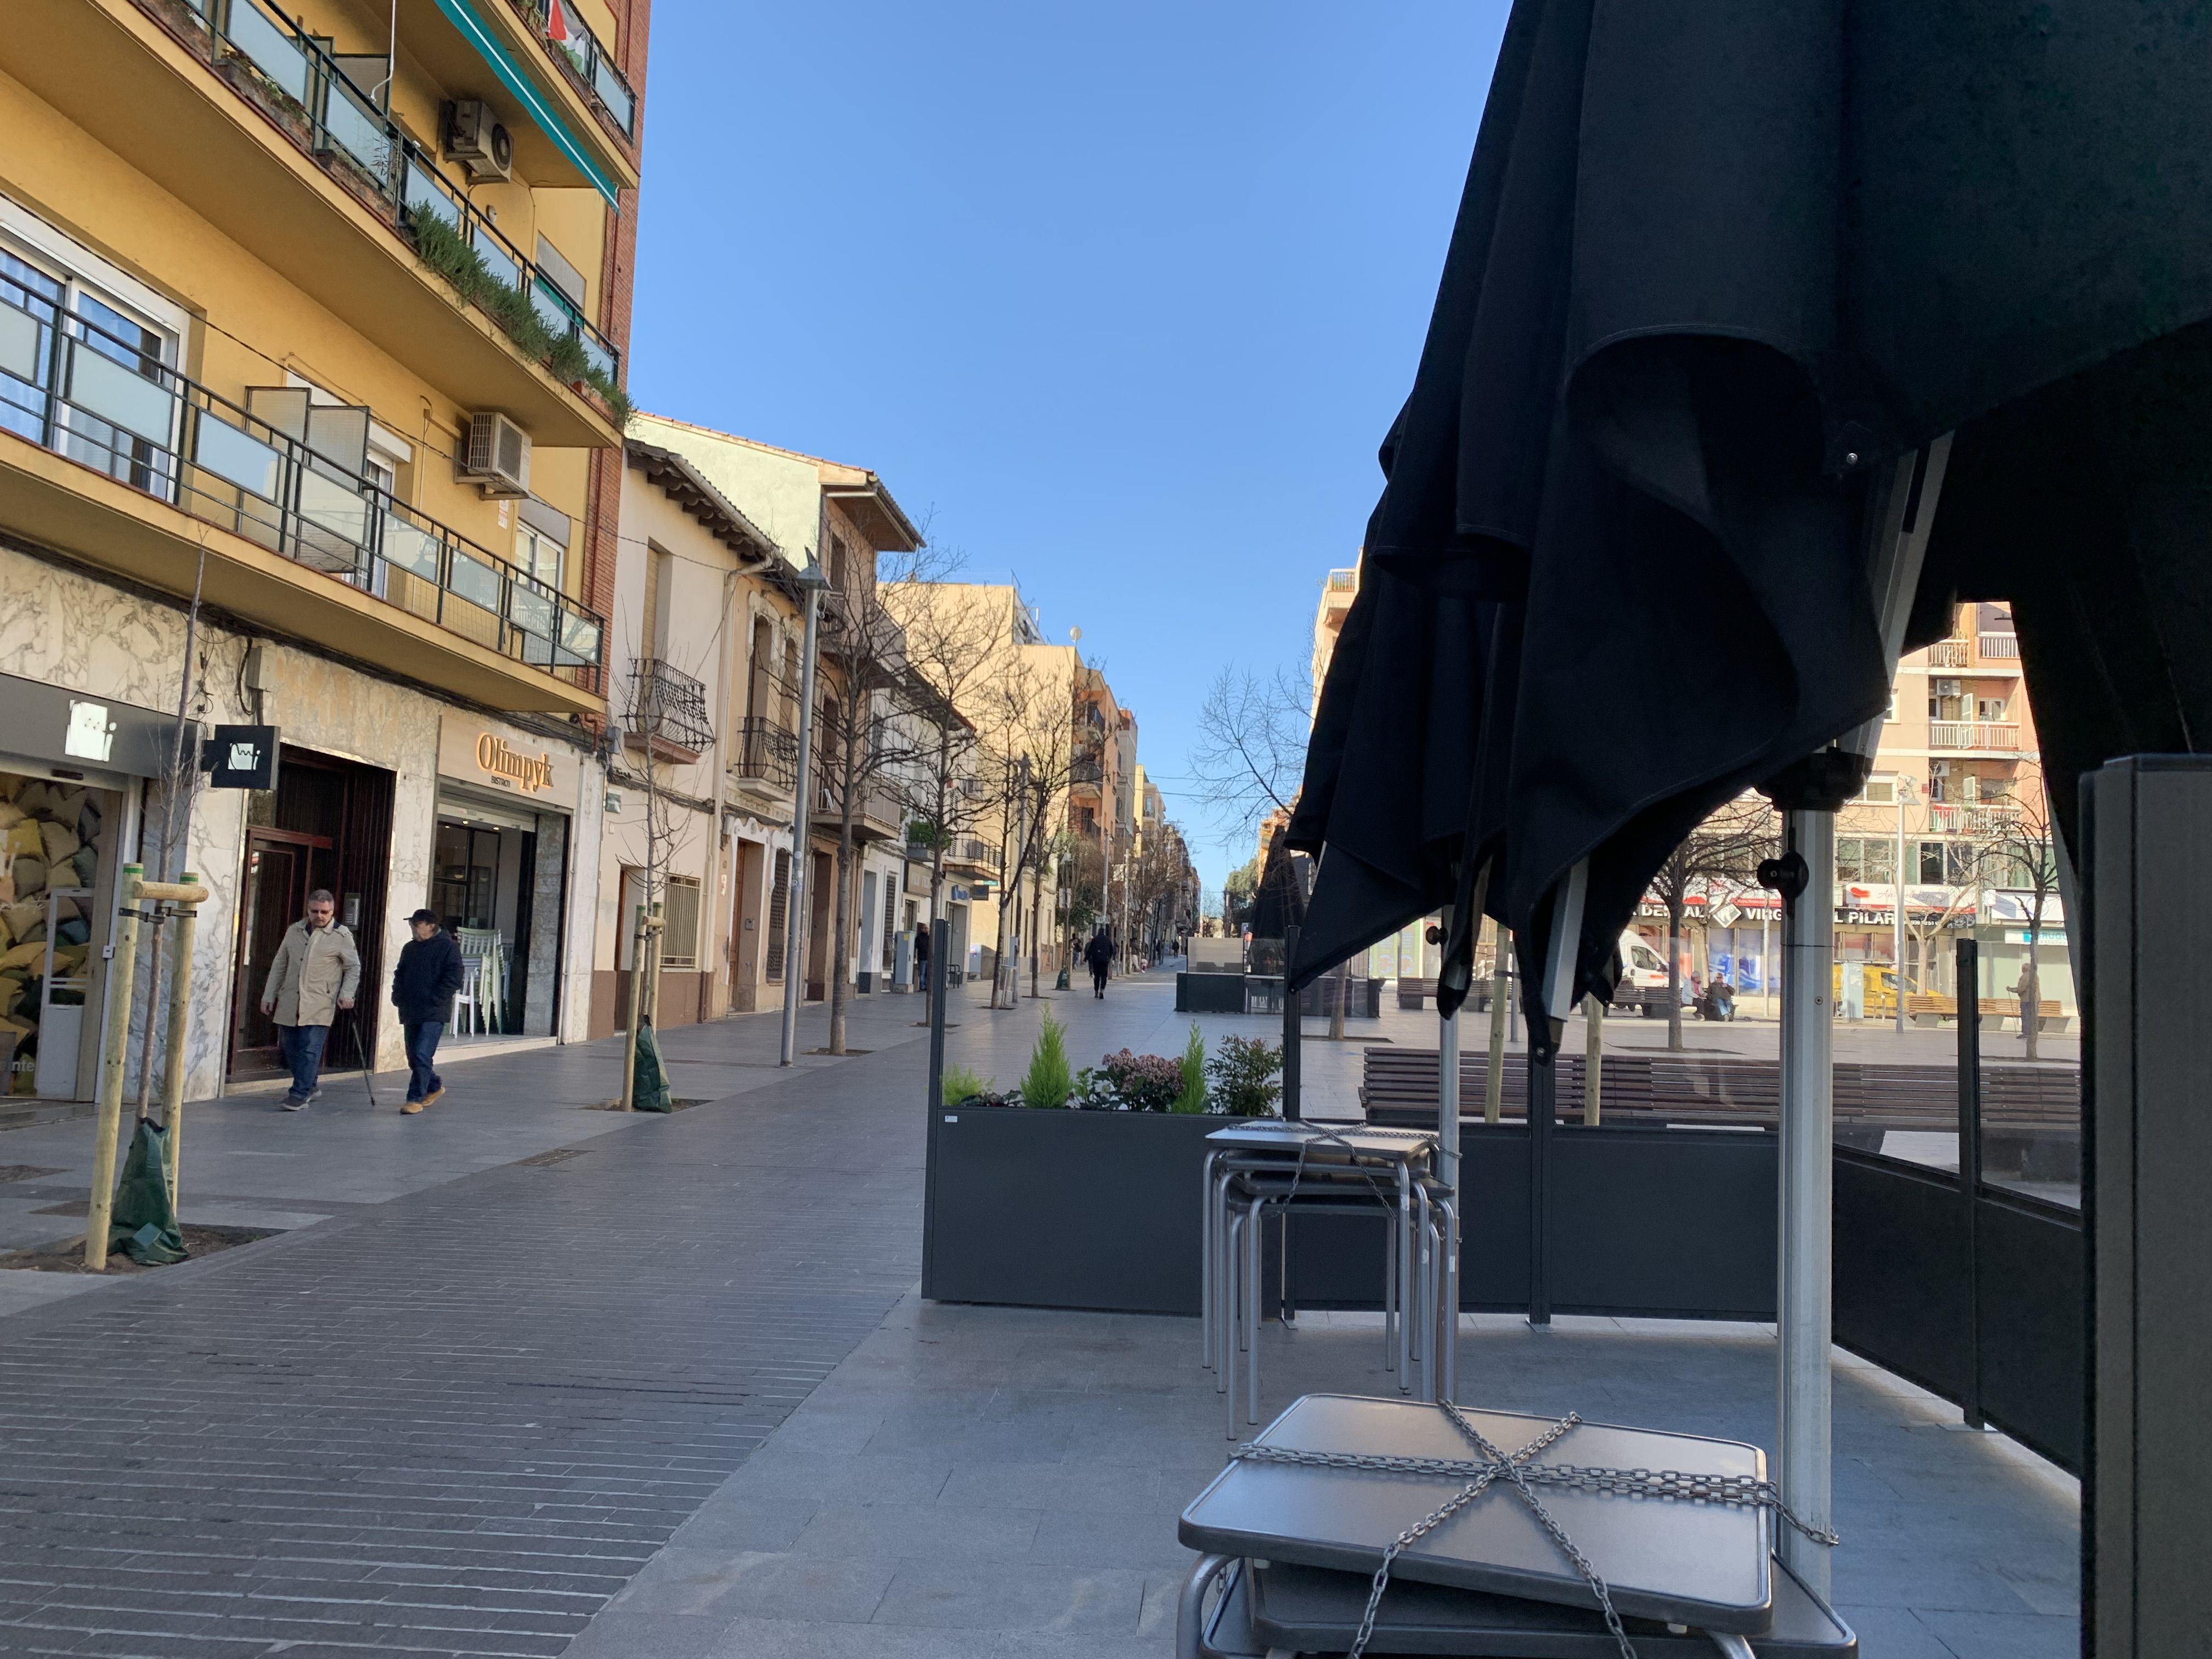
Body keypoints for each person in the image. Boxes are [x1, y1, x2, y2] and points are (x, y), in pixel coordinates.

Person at [259, 888, 360, 1111]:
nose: (320, 916)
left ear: (332, 911)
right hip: (290, 1000)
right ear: (308, 909)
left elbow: (353, 967)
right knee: (291, 1048)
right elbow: (280, 964)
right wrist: (269, 995)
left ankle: (299, 1094)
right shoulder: (294, 931)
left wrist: (346, 993)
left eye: (325, 911)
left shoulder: (342, 936)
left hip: (320, 1003)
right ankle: (311, 1086)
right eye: (315, 911)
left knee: (310, 1049)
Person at [390, 908, 463, 1115]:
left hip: (433, 1012)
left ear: (430, 926)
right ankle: (433, 1086)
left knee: (423, 1053)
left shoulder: (448, 947)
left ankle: (415, 1098)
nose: (412, 928)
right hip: (411, 1009)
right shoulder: (410, 949)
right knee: (414, 1057)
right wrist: (398, 996)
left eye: (416, 924)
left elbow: (454, 978)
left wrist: (436, 999)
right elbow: (400, 974)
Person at [1084, 927, 1113, 998]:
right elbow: (1112, 950)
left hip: (1096, 961)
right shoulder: (1108, 940)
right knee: (1104, 976)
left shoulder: (1095, 939)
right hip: (1104, 961)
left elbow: (1090, 950)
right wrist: (1109, 958)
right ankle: (1102, 990)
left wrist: (1086, 958)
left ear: (1098, 932)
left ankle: (1096, 991)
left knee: (1097, 976)